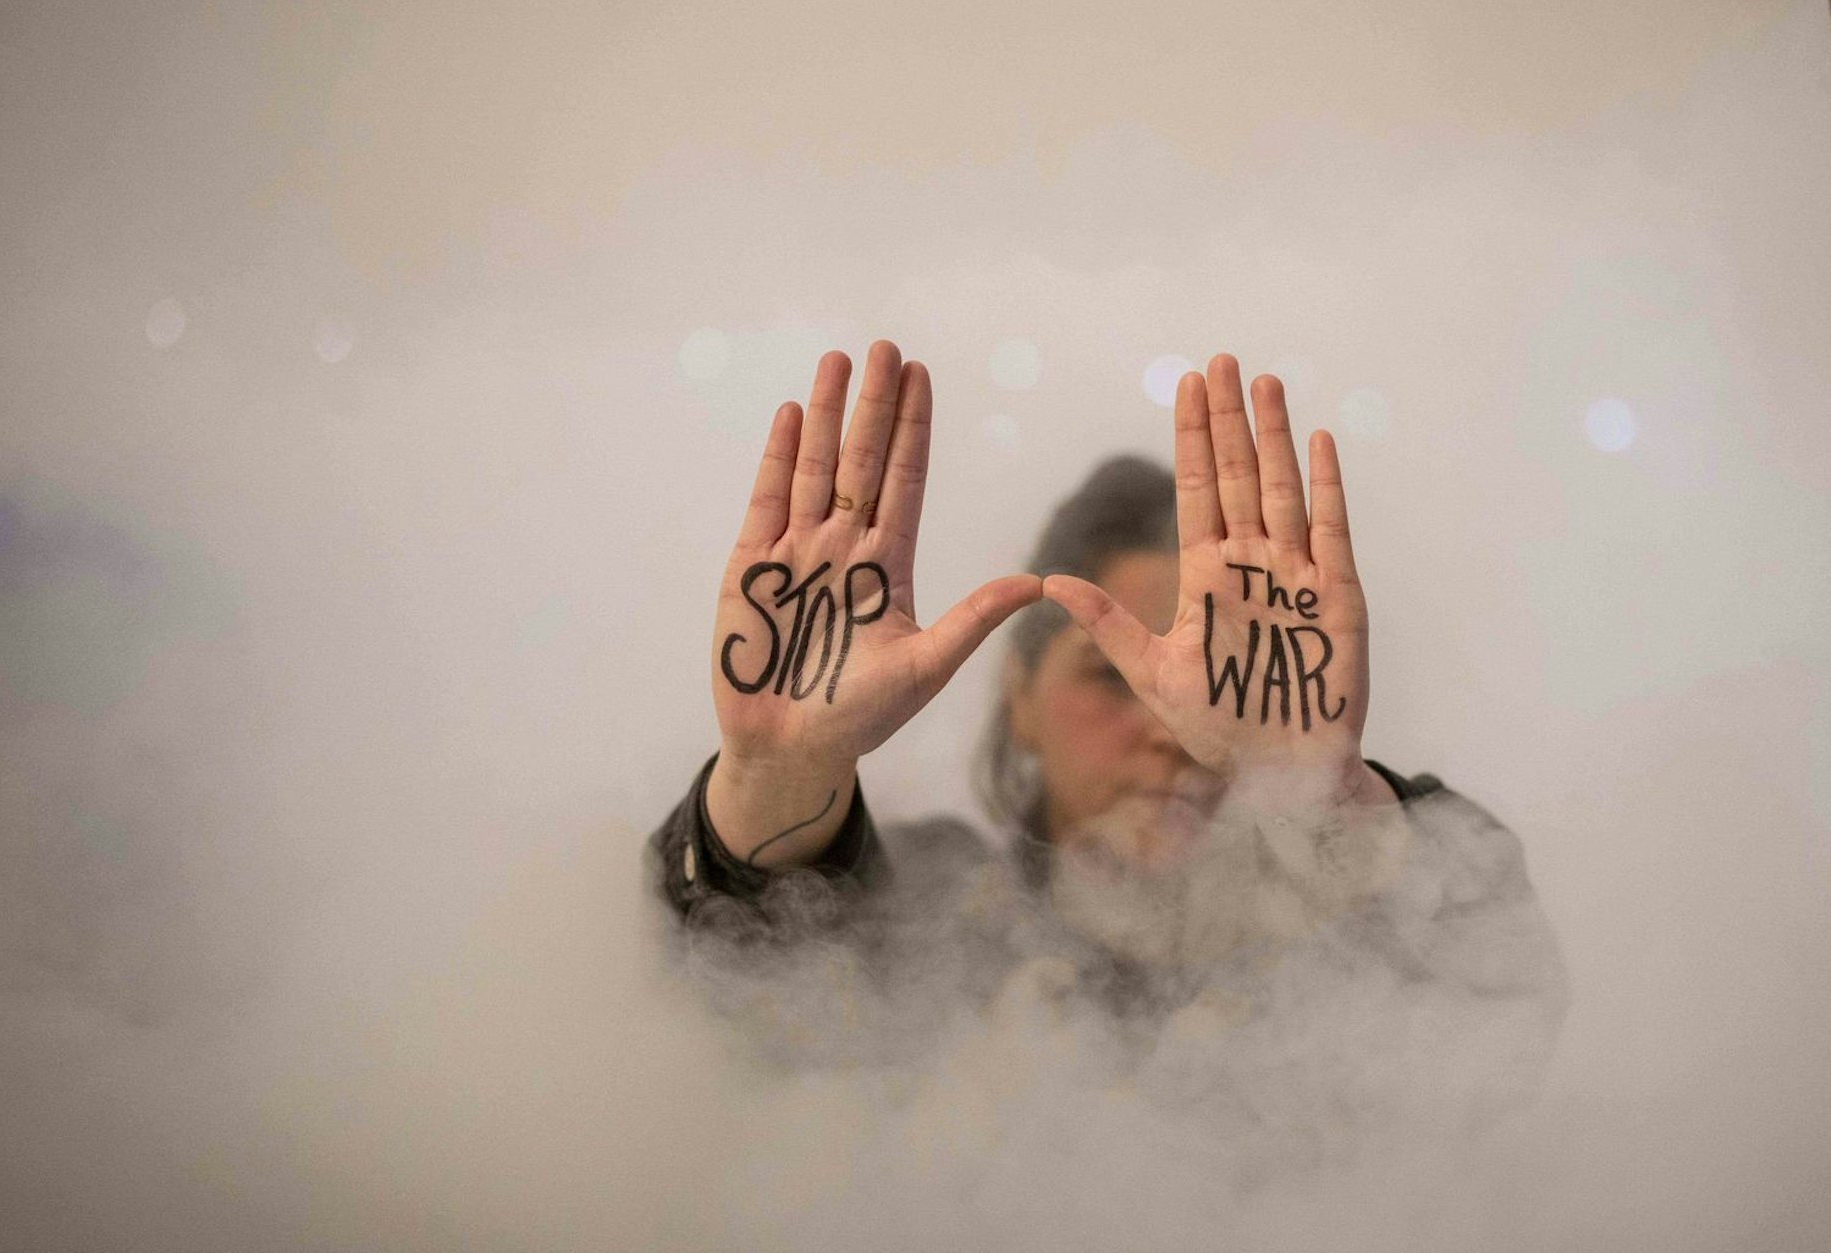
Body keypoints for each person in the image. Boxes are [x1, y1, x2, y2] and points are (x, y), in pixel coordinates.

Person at [647, 340, 1567, 1125]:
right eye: (1110, 678)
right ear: (1020, 698)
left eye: (1209, 688)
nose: (1172, 733)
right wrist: (779, 769)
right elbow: (731, 993)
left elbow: (1502, 1000)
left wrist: (1317, 791)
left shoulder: (1340, 955)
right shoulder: (932, 913)